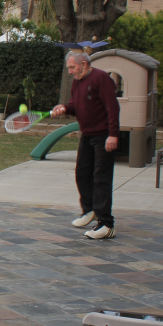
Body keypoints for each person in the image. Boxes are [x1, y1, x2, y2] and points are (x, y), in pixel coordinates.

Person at [51, 51, 120, 240]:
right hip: (87, 135)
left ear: (84, 63)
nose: (70, 71)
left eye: (72, 67)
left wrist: (113, 134)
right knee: (82, 174)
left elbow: (112, 107)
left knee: (101, 179)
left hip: (104, 135)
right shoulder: (77, 81)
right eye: (69, 68)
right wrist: (65, 107)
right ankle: (89, 210)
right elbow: (75, 105)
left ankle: (107, 224)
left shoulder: (101, 78)